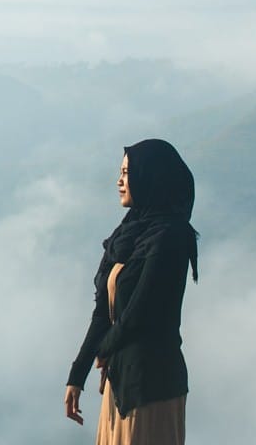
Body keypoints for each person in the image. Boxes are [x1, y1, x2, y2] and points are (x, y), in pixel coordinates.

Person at [63, 138, 199, 444]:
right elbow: (103, 312)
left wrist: (105, 351)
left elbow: (141, 312)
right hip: (120, 379)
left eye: (127, 173)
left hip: (152, 385)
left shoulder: (170, 236)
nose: (119, 181)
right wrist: (77, 375)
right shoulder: (129, 234)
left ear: (150, 176)